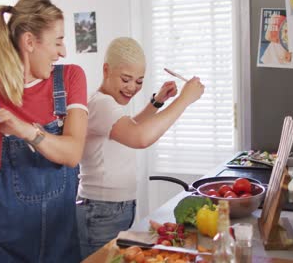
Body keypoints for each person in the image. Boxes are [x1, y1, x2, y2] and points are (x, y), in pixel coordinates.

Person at [0, 0, 88, 262]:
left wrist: (25, 131)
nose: (63, 51)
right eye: (58, 41)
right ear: (29, 42)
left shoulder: (70, 77)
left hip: (62, 252)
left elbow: (72, 154)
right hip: (2, 253)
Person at [76, 37, 205, 258]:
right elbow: (140, 137)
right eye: (126, 79)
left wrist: (157, 102)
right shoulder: (101, 103)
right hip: (101, 211)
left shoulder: (107, 104)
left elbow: (130, 128)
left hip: (113, 208)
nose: (132, 88)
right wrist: (184, 99)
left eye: (138, 81)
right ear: (106, 70)